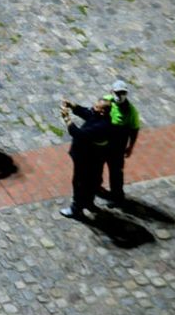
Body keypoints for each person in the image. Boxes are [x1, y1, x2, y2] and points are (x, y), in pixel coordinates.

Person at [60, 97, 113, 219]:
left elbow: (78, 134)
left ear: (102, 112)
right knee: (92, 182)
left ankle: (76, 208)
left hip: (87, 158)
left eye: (95, 107)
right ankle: (89, 203)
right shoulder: (101, 116)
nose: (92, 108)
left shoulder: (101, 126)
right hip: (92, 157)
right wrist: (73, 105)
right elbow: (87, 113)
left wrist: (67, 118)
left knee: (80, 183)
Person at [97, 79, 142, 207]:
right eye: (117, 92)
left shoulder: (131, 111)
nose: (120, 95)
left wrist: (130, 147)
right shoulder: (106, 100)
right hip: (102, 144)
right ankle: (97, 186)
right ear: (112, 92)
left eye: (122, 93)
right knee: (97, 166)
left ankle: (117, 196)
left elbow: (134, 130)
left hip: (117, 147)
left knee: (116, 172)